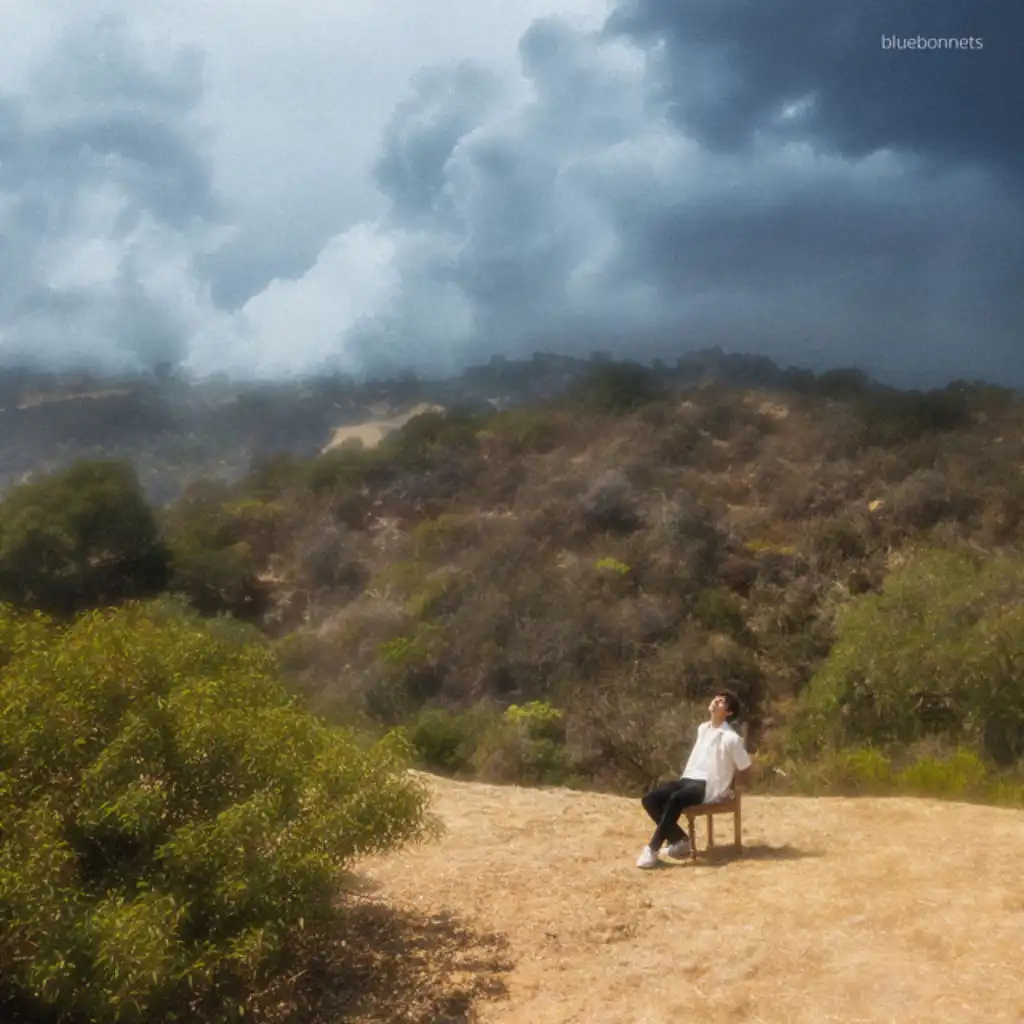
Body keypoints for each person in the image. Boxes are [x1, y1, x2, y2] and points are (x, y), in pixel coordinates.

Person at [636, 690, 753, 869]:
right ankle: (679, 840)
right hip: (688, 778)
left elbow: (745, 767)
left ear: (728, 713)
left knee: (676, 799)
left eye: (722, 702)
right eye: (716, 698)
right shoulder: (703, 728)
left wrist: (733, 790)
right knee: (650, 799)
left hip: (707, 786)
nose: (716, 701)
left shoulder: (731, 739)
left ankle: (652, 848)